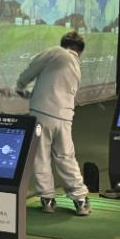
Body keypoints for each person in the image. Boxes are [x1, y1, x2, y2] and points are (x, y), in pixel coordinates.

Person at [16, 31, 90, 216]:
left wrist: (20, 85)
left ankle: (47, 199)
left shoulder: (56, 52)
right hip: (65, 117)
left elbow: (32, 68)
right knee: (66, 156)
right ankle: (80, 200)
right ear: (80, 51)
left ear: (64, 44)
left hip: (42, 114)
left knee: (40, 156)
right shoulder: (76, 65)